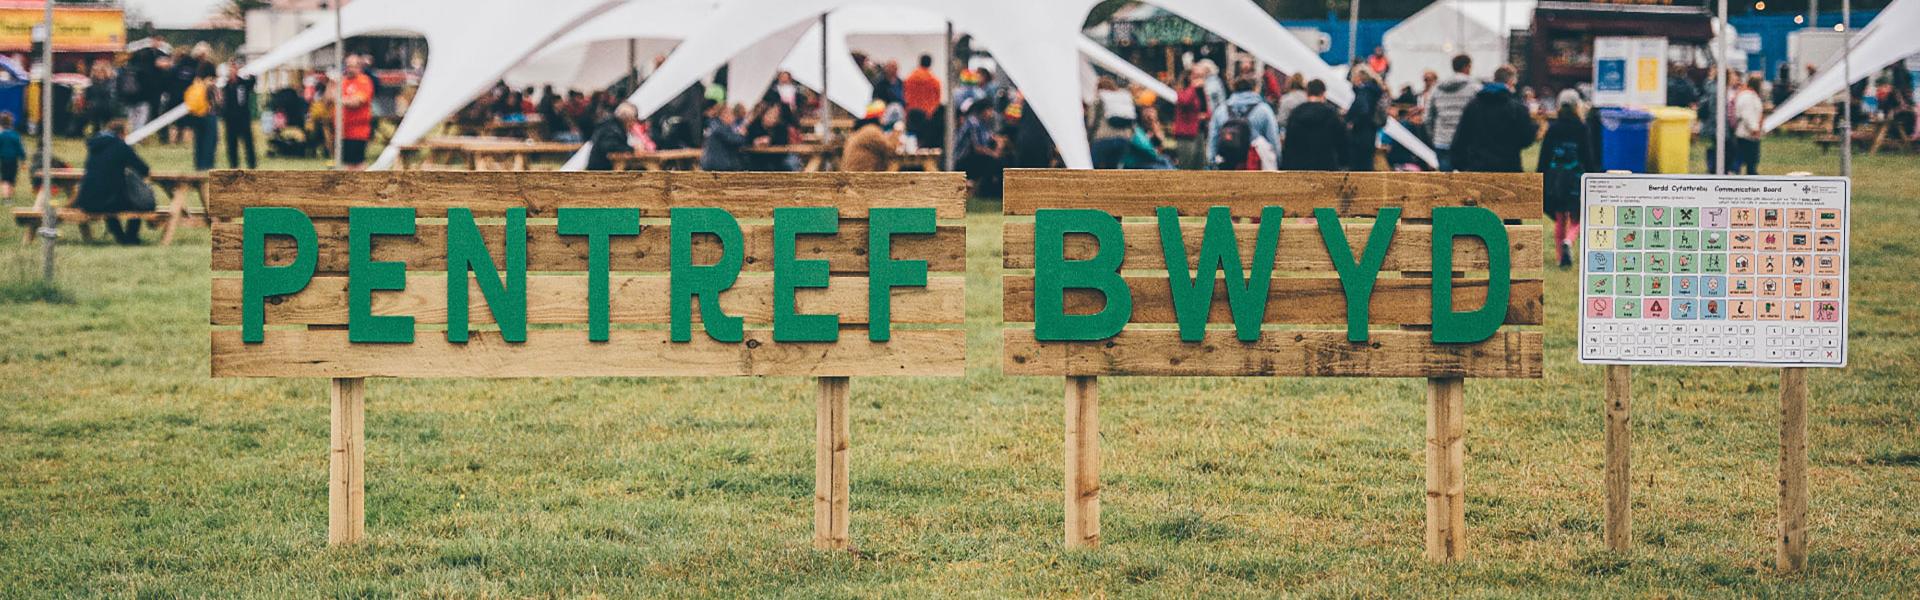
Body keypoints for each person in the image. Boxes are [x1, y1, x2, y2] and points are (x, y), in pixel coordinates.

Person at [1537, 90, 1596, 269]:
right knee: (1578, 217)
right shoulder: (1582, 128)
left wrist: (1541, 176)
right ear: (1577, 106)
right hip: (1575, 178)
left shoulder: (1553, 128)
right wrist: (1592, 175)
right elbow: (1588, 155)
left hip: (1556, 178)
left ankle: (1559, 256)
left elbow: (1544, 156)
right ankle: (1569, 241)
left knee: (1560, 217)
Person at [72, 119, 152, 244]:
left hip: (86, 200)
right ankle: (130, 237)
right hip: (108, 200)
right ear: (122, 133)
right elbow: (144, 169)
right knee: (137, 203)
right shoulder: (120, 146)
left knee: (109, 200)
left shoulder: (95, 146)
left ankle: (121, 237)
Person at [1449, 65, 1535, 173]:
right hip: (1508, 168)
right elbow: (1526, 139)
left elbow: (1460, 139)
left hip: (1478, 168)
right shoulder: (1517, 108)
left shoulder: (1473, 105)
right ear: (1511, 82)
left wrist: (1462, 166)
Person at [1206, 76, 1280, 170]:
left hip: (1227, 164)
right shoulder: (1264, 110)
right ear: (1255, 89)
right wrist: (1277, 161)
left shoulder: (1221, 109)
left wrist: (1212, 162)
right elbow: (1273, 139)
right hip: (1254, 164)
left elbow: (1213, 138)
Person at [1278, 80, 1345, 171]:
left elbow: (1289, 145)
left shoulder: (1296, 113)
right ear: (1323, 94)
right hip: (1326, 167)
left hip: (1299, 168)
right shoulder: (1331, 114)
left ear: (1307, 93)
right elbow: (1342, 142)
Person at [1429, 55, 1481, 170]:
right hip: (1467, 142)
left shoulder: (1437, 89)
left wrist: (1434, 136)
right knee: (1466, 183)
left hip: (1442, 140)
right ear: (1467, 67)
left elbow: (1428, 118)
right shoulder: (1475, 88)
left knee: (1446, 184)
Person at [953, 98, 1003, 197]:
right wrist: (995, 153)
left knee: (998, 161)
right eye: (989, 110)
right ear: (983, 110)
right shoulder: (973, 122)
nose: (991, 113)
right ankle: (988, 192)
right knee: (994, 163)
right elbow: (979, 148)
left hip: (972, 158)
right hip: (961, 160)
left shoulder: (984, 124)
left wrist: (998, 144)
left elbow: (992, 138)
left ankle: (988, 191)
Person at [1345, 66, 1388, 171]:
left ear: (1358, 78)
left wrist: (1352, 122)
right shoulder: (1374, 90)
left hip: (1361, 134)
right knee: (1367, 164)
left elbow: (1363, 110)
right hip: (1371, 131)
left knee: (1358, 166)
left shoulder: (1364, 91)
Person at [1088, 77, 1137, 169]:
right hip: (1123, 140)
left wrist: (1089, 139)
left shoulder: (1098, 100)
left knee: (1094, 168)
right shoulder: (1124, 99)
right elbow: (1133, 122)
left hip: (1102, 139)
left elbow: (1091, 123)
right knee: (1113, 170)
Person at [841, 101, 902, 172]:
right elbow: (890, 149)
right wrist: (897, 132)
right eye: (884, 114)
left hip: (856, 174)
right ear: (879, 117)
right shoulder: (871, 131)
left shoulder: (863, 131)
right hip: (861, 176)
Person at [338, 55, 375, 169]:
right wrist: (331, 84)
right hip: (344, 129)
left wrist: (340, 99)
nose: (350, 69)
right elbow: (328, 98)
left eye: (353, 66)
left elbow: (357, 101)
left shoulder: (364, 81)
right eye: (348, 66)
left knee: (357, 163)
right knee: (346, 163)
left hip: (358, 130)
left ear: (359, 67)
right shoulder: (343, 81)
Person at [1171, 67, 1211, 169]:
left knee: (1200, 164)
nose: (1200, 79)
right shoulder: (1185, 91)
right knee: (1187, 164)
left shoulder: (1201, 91)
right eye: (1197, 76)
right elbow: (1184, 101)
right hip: (1186, 134)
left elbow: (1208, 111)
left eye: (1202, 76)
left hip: (1199, 132)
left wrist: (1204, 116)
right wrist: (1193, 87)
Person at [223, 58, 259, 169]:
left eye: (234, 68)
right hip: (230, 119)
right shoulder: (226, 86)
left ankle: (251, 165)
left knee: (248, 143)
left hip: (243, 118)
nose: (232, 71)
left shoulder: (243, 83)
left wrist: (249, 72)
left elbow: (253, 81)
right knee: (232, 144)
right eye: (230, 69)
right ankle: (233, 166)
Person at [184, 65, 220, 171]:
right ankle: (207, 166)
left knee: (199, 143)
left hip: (196, 115)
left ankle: (199, 166)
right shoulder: (210, 85)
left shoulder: (195, 84)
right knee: (209, 143)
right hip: (208, 115)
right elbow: (217, 102)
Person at [745, 103, 799, 171]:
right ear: (763, 115)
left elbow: (783, 142)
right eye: (769, 115)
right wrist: (754, 141)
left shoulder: (781, 127)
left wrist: (770, 140)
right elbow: (747, 139)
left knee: (790, 164)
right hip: (758, 159)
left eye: (774, 117)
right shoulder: (754, 125)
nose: (771, 118)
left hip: (777, 159)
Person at [585, 103, 639, 171]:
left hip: (603, 167)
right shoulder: (611, 129)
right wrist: (631, 149)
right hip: (601, 170)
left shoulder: (613, 126)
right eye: (633, 120)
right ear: (627, 118)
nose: (633, 123)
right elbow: (611, 146)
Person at [903, 54, 943, 146]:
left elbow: (905, 95)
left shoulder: (910, 79)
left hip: (911, 114)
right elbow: (937, 100)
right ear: (930, 64)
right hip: (927, 115)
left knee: (911, 142)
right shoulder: (935, 81)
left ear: (920, 62)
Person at [1730, 73, 1765, 175]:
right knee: (1747, 160)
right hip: (1746, 134)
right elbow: (1747, 115)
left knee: (1747, 160)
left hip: (1748, 133)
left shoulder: (1749, 95)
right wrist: (1754, 129)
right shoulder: (1747, 97)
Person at [700, 102, 748, 171]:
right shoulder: (719, 127)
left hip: (713, 164)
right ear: (724, 114)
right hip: (718, 165)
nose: (734, 118)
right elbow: (734, 140)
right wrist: (742, 134)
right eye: (732, 114)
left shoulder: (715, 124)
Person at [83, 59, 118, 136]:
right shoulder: (92, 81)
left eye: (100, 71)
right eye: (95, 71)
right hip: (95, 106)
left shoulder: (111, 80)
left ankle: (107, 133)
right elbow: (88, 94)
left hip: (108, 106)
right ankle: (97, 132)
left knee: (107, 121)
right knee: (95, 117)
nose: (97, 73)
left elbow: (108, 93)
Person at [0, 113, 21, 199]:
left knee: (5, 179)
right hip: (14, 161)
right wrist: (23, 159)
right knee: (12, 179)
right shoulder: (15, 135)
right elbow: (19, 148)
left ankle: (6, 197)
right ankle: (10, 197)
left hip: (4, 160)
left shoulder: (1, 136)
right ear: (11, 124)